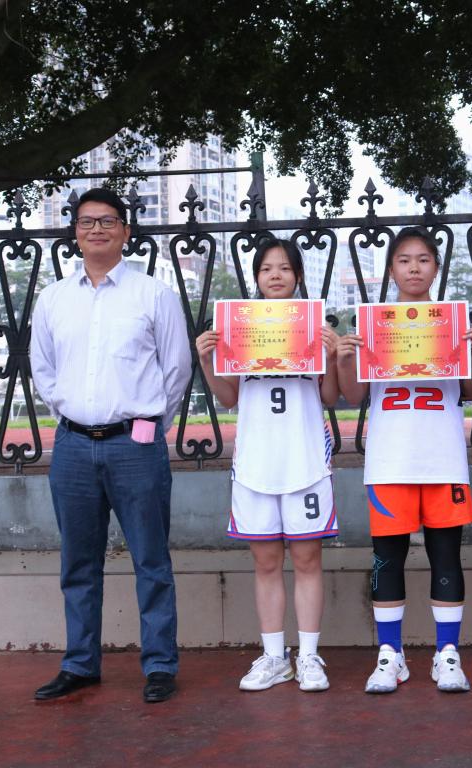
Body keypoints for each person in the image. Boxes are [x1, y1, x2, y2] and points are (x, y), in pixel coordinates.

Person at [30, 187, 192, 703]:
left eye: (107, 221)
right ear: (74, 233)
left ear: (126, 230)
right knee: (78, 563)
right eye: (86, 221)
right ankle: (80, 664)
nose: (96, 229)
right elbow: (43, 369)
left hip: (135, 447)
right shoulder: (54, 299)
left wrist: (151, 423)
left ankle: (160, 665)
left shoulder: (153, 295)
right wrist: (70, 413)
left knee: (151, 560)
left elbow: (177, 368)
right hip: (73, 448)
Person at [336, 226, 472, 694]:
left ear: (436, 268)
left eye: (423, 259)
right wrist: (345, 359)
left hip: (443, 460)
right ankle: (391, 655)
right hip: (390, 461)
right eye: (404, 260)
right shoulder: (375, 325)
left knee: (447, 556)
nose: (414, 268)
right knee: (387, 559)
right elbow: (353, 396)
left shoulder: (453, 323)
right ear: (391, 269)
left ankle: (447, 654)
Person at [194, 237, 340, 692]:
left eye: (284, 268)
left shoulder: (314, 325)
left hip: (304, 458)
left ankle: (309, 656)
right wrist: (206, 360)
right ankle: (275, 657)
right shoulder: (240, 327)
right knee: (265, 561)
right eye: (266, 268)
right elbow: (230, 397)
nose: (275, 275)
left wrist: (332, 355)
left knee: (307, 558)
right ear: (256, 277)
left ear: (298, 275)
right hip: (256, 461)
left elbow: (330, 395)